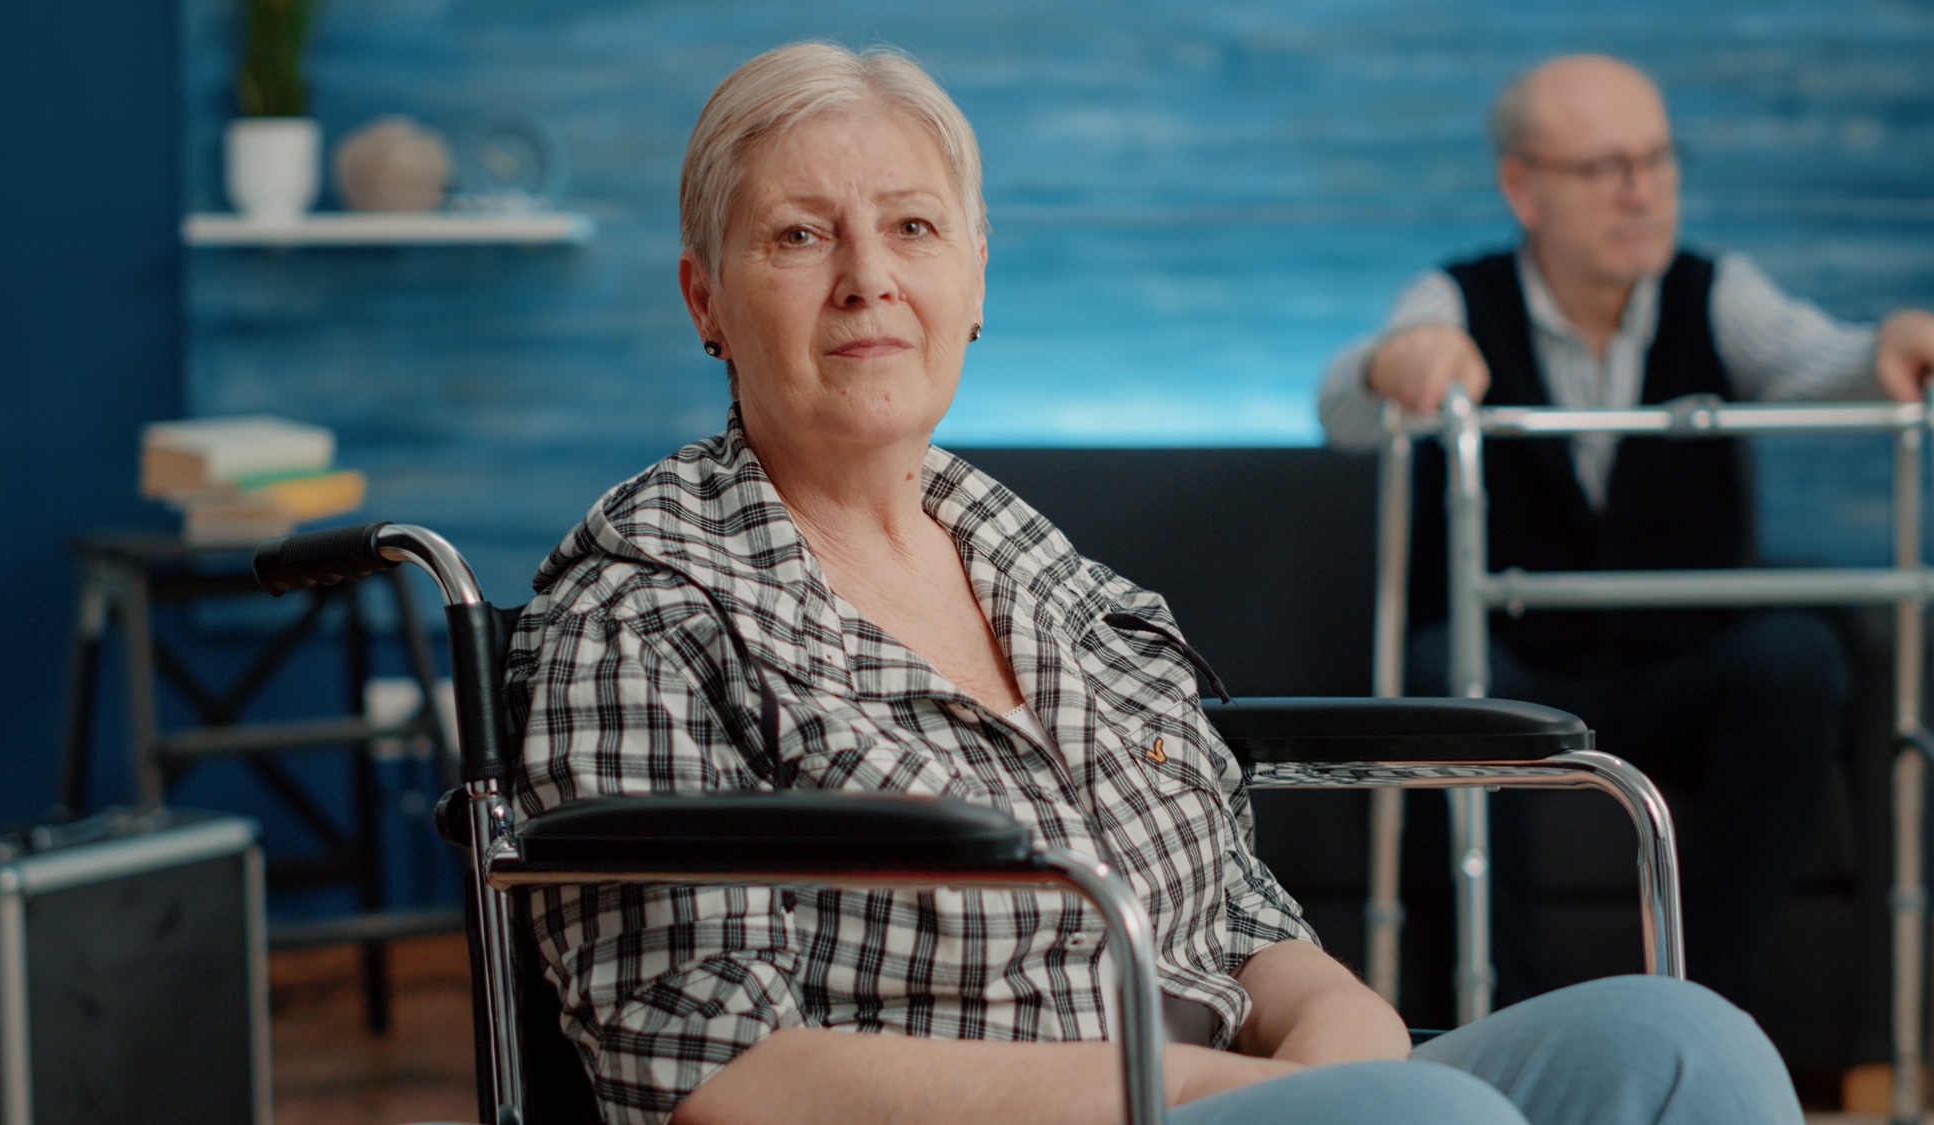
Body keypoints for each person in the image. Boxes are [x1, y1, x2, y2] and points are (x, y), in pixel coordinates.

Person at [508, 42, 1802, 1125]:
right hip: (1072, 1103)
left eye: (912, 226)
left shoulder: (1051, 575)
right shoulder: (643, 606)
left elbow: (1234, 910)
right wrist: (1188, 1082)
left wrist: (1342, 1019)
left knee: (1684, 1047)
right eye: (801, 235)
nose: (869, 278)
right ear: (707, 301)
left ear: (972, 283)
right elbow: (713, 1070)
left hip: (1221, 1079)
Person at [1317, 53, 1934, 1010]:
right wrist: (1397, 362)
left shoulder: (1718, 295)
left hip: (1680, 673)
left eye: (1657, 160)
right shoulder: (1457, 299)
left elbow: (1837, 363)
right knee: (1442, 671)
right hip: (1520, 679)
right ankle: (1513, 1033)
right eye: (1605, 168)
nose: (1641, 191)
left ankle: (1700, 1014)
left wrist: (1889, 344)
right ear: (1524, 187)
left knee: (1795, 659)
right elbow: (1344, 408)